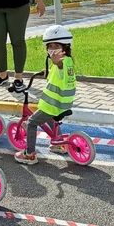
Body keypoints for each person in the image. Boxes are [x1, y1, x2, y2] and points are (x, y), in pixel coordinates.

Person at [14, 25, 75, 165]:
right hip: (62, 103)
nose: (52, 49)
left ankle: (29, 154)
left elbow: (59, 65)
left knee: (31, 123)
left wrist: (56, 63)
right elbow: (60, 73)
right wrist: (48, 69)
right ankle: (57, 143)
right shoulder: (69, 61)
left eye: (56, 46)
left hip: (53, 105)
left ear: (65, 47)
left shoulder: (60, 62)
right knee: (50, 120)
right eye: (50, 46)